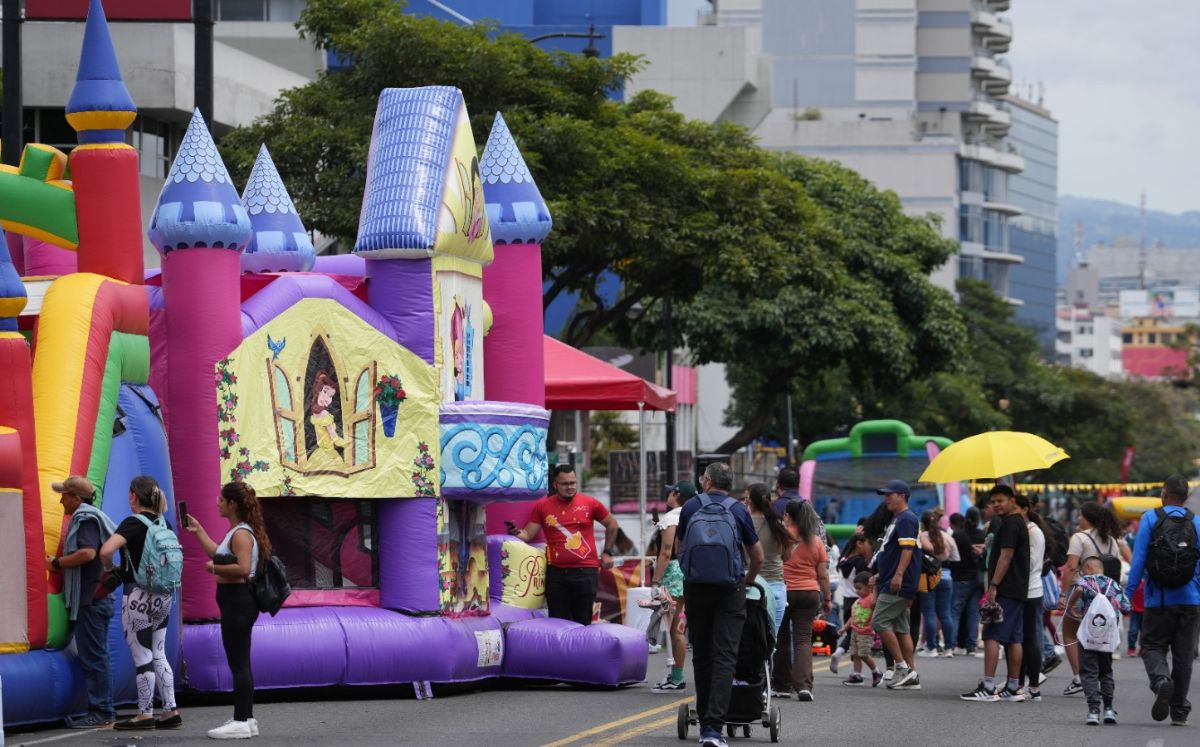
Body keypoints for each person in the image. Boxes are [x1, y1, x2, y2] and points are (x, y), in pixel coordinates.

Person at [677, 462, 763, 747]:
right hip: (730, 590)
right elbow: (758, 555)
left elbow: (680, 550)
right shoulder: (739, 510)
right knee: (725, 656)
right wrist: (747, 580)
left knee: (702, 654)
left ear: (707, 481)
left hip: (697, 588)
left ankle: (704, 724)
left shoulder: (690, 507)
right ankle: (714, 729)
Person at [186, 481, 272, 740]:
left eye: (221, 500)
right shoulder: (235, 532)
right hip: (234, 601)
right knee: (240, 661)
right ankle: (246, 718)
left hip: (238, 601)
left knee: (239, 663)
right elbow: (220, 554)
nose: (217, 502)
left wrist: (214, 569)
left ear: (232, 504)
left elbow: (243, 569)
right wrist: (199, 531)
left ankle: (241, 720)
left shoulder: (242, 534)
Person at [99, 476, 181, 730]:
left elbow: (105, 550)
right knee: (158, 652)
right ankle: (170, 710)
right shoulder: (163, 522)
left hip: (137, 595)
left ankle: (144, 713)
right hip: (164, 595)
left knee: (141, 653)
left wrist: (111, 567)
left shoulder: (133, 522)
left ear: (134, 495)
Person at [1124, 474, 1200, 726]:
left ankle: (1160, 680)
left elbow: (1138, 560)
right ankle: (1179, 711)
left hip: (1158, 599)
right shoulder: (1196, 522)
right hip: (1190, 600)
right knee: (1184, 656)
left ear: (1164, 493)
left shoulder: (1150, 518)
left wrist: (1128, 593)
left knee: (1153, 646)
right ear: (1186, 497)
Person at [46, 476, 117, 729]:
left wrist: (57, 563)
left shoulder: (85, 518)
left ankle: (103, 713)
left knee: (95, 657)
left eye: (65, 494)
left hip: (90, 599)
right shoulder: (93, 515)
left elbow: (88, 553)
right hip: (97, 598)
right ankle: (103, 710)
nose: (61, 499)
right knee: (97, 655)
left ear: (77, 498)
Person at [511, 464, 621, 625]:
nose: (570, 487)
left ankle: (582, 651)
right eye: (565, 484)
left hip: (585, 571)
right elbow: (527, 534)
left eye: (573, 483)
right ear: (555, 484)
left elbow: (612, 524)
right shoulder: (543, 506)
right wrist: (515, 532)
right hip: (556, 573)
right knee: (557, 623)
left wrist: (608, 552)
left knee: (582, 623)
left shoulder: (590, 503)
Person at [961, 484, 1029, 703]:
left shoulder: (1010, 524)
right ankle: (1012, 686)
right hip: (1018, 588)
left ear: (1012, 500)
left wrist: (993, 585)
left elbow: (1006, 556)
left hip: (1006, 588)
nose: (997, 505)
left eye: (1001, 500)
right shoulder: (1019, 522)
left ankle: (989, 687)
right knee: (1014, 638)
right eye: (994, 502)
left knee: (991, 634)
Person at [1057, 501, 1130, 696]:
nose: (1079, 519)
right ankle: (1100, 675)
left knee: (1070, 634)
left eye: (1080, 515)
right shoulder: (1112, 540)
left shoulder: (1079, 538)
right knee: (1098, 632)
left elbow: (1071, 567)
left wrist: (1063, 594)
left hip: (1082, 591)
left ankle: (1079, 677)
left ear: (1088, 518)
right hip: (1105, 595)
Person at [773, 500, 830, 702]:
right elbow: (822, 574)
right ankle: (804, 686)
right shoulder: (815, 541)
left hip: (783, 592)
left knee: (781, 638)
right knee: (803, 640)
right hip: (809, 593)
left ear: (787, 516)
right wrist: (828, 597)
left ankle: (782, 685)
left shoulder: (780, 537)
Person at [868, 480, 922, 691]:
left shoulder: (906, 518)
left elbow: (908, 550)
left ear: (902, 495)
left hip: (898, 583)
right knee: (901, 629)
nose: (886, 498)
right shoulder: (899, 519)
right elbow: (894, 552)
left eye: (890, 494)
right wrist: (882, 574)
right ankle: (910, 673)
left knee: (879, 622)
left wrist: (898, 575)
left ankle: (903, 668)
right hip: (893, 579)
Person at [1065, 556, 1130, 725]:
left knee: (1088, 672)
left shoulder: (1086, 581)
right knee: (1106, 671)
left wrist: (1071, 606)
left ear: (1088, 567)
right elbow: (1126, 607)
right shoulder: (1113, 584)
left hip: (1089, 636)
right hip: (1107, 638)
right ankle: (1108, 709)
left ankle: (1093, 710)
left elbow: (1078, 591)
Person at [649, 480, 697, 693]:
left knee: (676, 626)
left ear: (676, 495)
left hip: (673, 575)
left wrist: (655, 581)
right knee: (681, 624)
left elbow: (666, 552)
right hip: (693, 571)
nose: (667, 495)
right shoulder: (694, 515)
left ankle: (677, 678)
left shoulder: (671, 518)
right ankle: (677, 676)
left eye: (671, 492)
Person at [744, 482, 792, 635]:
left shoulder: (743, 523)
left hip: (751, 587)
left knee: (750, 642)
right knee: (771, 642)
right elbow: (787, 556)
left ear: (749, 501)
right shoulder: (778, 524)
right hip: (776, 586)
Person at [1015, 493, 1049, 701]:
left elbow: (1030, 562)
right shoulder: (1023, 530)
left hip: (1029, 590)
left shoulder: (1033, 532)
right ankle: (1018, 683)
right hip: (1020, 590)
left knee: (1029, 639)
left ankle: (1033, 685)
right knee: (1018, 639)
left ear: (1025, 509)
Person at [917, 509, 958, 657]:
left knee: (929, 613)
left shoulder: (923, 536)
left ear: (923, 523)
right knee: (945, 614)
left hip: (928, 577)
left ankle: (932, 647)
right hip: (946, 576)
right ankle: (949, 648)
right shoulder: (947, 537)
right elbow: (956, 558)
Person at [830, 532, 872, 674]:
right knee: (857, 636)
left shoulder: (844, 560)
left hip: (846, 600)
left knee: (851, 633)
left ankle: (841, 653)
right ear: (859, 544)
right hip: (860, 600)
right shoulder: (860, 562)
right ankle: (853, 668)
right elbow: (866, 581)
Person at [838, 572, 884, 687]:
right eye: (856, 589)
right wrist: (844, 628)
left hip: (866, 632)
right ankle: (857, 675)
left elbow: (877, 612)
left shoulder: (872, 600)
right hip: (855, 631)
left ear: (869, 587)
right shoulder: (858, 601)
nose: (857, 591)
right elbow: (852, 617)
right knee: (855, 654)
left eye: (859, 588)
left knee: (863, 654)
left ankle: (876, 672)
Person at [950, 510, 985, 656]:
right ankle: (971, 645)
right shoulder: (982, 535)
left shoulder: (958, 535)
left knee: (955, 612)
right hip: (977, 578)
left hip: (960, 578)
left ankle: (951, 644)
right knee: (973, 613)